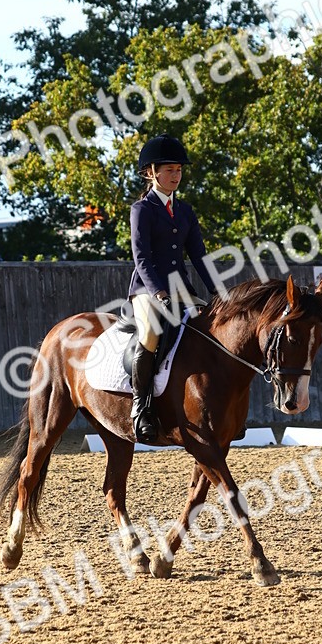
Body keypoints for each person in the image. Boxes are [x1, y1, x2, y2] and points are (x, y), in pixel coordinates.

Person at [128, 134, 217, 444]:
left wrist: (218, 291)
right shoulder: (142, 209)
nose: (175, 175)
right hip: (147, 289)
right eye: (169, 170)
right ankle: (141, 407)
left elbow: (199, 256)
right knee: (151, 334)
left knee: (212, 330)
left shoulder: (185, 210)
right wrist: (158, 294)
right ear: (151, 172)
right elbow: (141, 257)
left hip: (182, 289)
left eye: (178, 170)